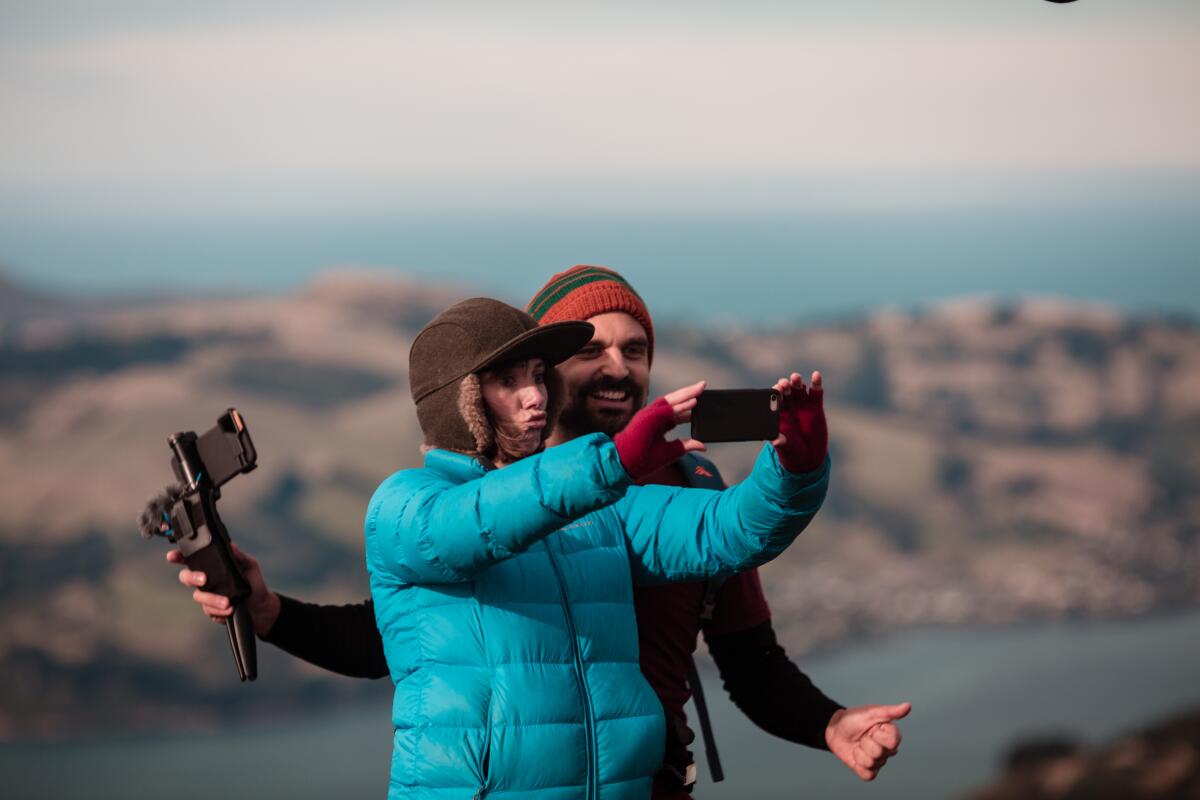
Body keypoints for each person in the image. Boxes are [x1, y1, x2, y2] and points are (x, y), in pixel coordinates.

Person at [172, 268, 905, 796]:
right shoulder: (411, 503)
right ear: (463, 401)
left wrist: (797, 465)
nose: (534, 396)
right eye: (512, 378)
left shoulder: (636, 497)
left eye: (537, 374)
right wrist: (273, 616)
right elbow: (441, 577)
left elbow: (730, 537)